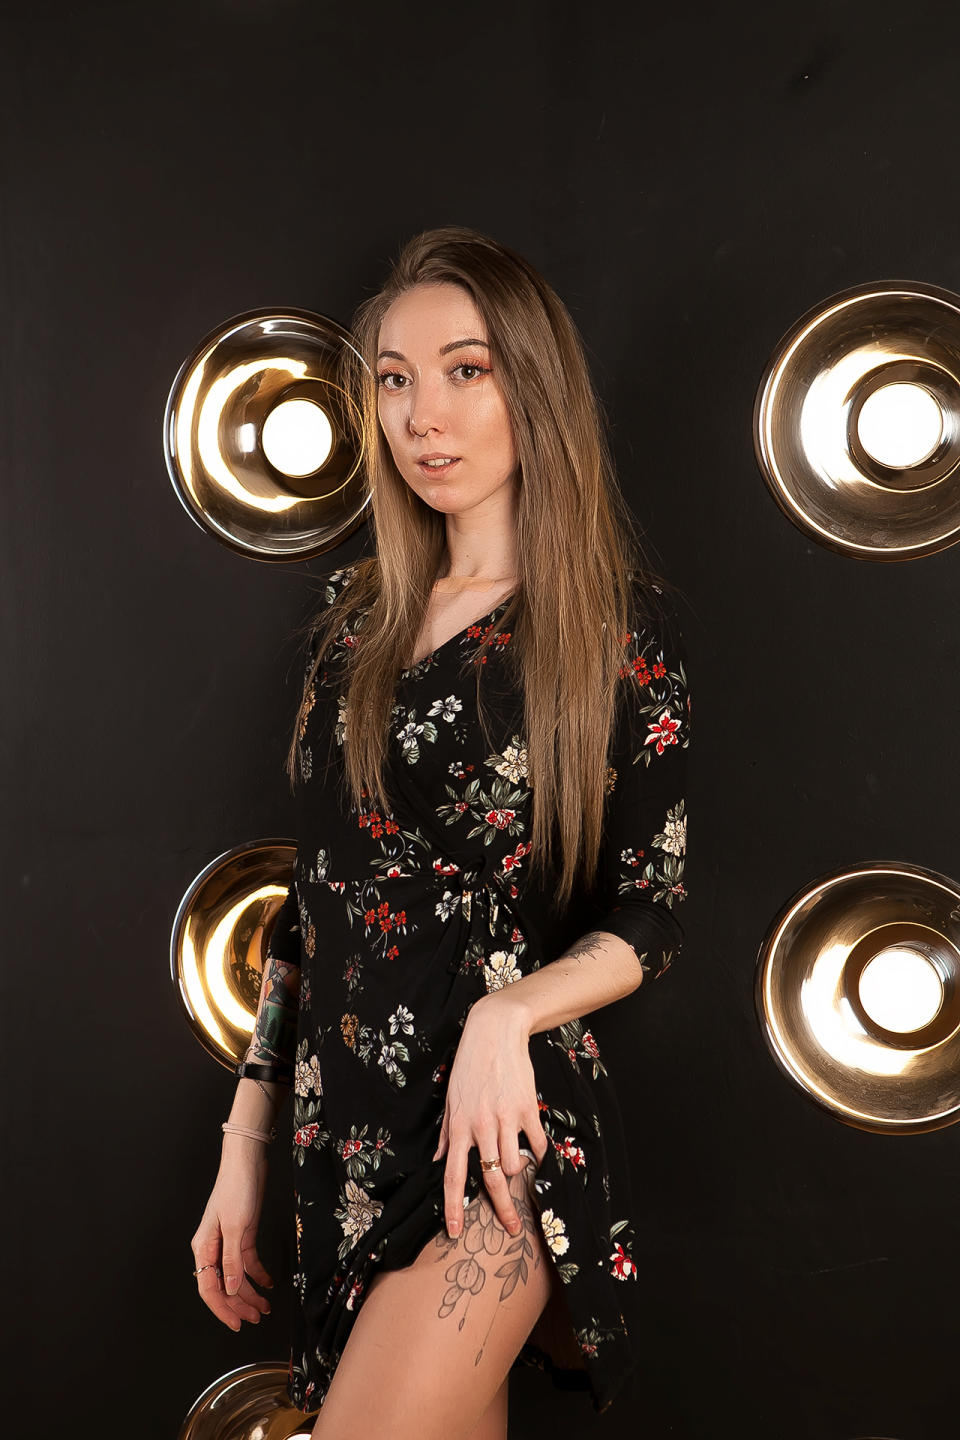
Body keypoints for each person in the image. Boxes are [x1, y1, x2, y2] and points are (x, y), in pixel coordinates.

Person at [191, 225, 691, 1440]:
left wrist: (511, 1014)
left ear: (533, 386)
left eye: (466, 371)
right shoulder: (352, 623)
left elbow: (651, 911)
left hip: (503, 1132)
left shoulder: (611, 634)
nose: (424, 416)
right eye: (395, 380)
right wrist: (247, 1141)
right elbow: (315, 902)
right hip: (346, 1146)